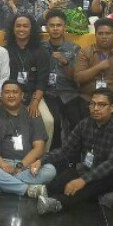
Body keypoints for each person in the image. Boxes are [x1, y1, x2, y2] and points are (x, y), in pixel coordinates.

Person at [35, 89, 113, 215]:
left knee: (87, 187)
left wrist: (83, 180)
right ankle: (104, 198)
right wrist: (42, 160)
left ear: (112, 108)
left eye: (101, 105)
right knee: (58, 182)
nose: (95, 108)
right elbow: (66, 150)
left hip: (110, 174)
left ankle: (57, 203)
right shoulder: (85, 123)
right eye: (92, 104)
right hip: (86, 168)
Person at [0, 80, 56, 197]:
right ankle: (28, 189)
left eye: (15, 92)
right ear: (1, 95)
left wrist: (20, 166)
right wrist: (2, 165)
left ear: (22, 95)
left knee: (50, 170)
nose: (11, 95)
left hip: (26, 165)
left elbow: (39, 148)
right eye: (7, 92)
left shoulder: (32, 113)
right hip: (0, 164)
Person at [75, 18, 113, 131]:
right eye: (100, 33)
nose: (104, 36)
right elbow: (79, 78)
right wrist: (98, 67)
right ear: (95, 35)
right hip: (89, 99)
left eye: (108, 33)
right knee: (86, 129)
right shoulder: (85, 52)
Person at [5, 15, 55, 150]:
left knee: (48, 121)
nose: (21, 29)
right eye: (18, 26)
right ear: (12, 28)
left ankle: (42, 157)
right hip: (9, 94)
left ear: (31, 29)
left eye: (25, 26)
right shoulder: (5, 50)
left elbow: (42, 80)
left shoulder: (41, 51)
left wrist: (35, 102)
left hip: (33, 95)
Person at [40, 10, 82, 148]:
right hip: (48, 93)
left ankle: (75, 155)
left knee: (77, 122)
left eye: (59, 25)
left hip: (69, 93)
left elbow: (77, 77)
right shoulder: (41, 47)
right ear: (46, 28)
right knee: (55, 122)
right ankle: (55, 153)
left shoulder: (74, 48)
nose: (55, 28)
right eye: (52, 25)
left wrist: (65, 62)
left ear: (65, 27)